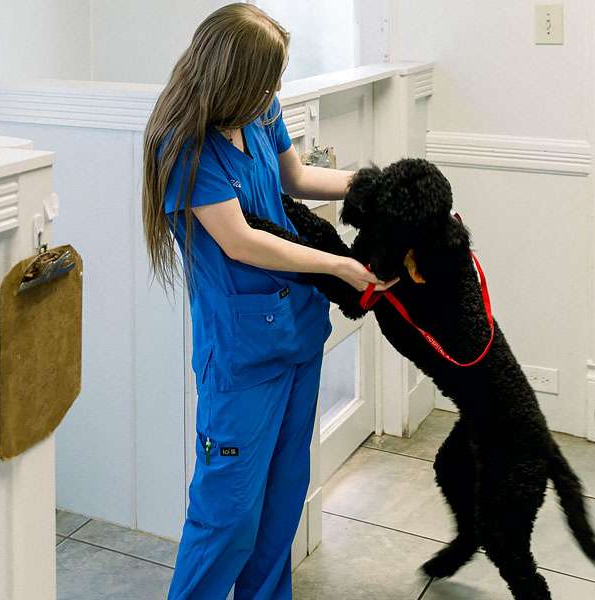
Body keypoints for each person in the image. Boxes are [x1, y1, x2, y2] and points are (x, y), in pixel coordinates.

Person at [141, 4, 397, 599]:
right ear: (231, 78)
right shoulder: (185, 148)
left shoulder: (260, 111)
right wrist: (337, 265)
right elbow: (242, 242)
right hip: (242, 357)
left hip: (299, 336)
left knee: (281, 505)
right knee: (227, 517)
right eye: (267, 80)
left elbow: (299, 179)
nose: (275, 91)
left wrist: (384, 184)